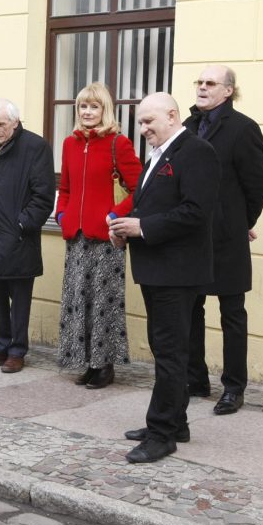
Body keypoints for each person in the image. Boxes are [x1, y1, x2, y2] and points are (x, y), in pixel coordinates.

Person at [108, 92, 219, 464]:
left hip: (178, 271)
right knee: (166, 350)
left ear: (171, 116)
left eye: (148, 122)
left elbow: (195, 212)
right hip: (158, 268)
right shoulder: (160, 153)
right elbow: (149, 204)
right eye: (140, 123)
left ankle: (161, 434)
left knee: (170, 354)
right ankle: (177, 421)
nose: (143, 130)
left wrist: (143, 227)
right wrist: (126, 228)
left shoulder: (196, 151)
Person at [184, 65, 263, 415]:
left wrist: (240, 222)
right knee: (191, 309)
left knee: (232, 314)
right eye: (200, 82)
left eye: (211, 83)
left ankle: (234, 388)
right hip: (191, 238)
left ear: (228, 91)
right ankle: (195, 379)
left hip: (226, 240)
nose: (203, 88)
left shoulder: (242, 128)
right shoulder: (189, 127)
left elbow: (260, 183)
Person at [54, 83, 142, 389]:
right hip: (76, 238)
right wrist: (62, 215)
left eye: (94, 106)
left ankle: (104, 365)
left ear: (105, 110)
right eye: (82, 106)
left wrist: (116, 215)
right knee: (79, 300)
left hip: (106, 239)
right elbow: (64, 188)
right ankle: (86, 361)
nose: (87, 112)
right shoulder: (69, 144)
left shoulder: (119, 143)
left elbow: (139, 189)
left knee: (104, 302)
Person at [0, 99, 55, 373]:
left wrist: (21, 224)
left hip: (18, 237)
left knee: (20, 297)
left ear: (15, 123)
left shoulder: (35, 147)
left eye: (1, 125)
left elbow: (43, 197)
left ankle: (17, 350)